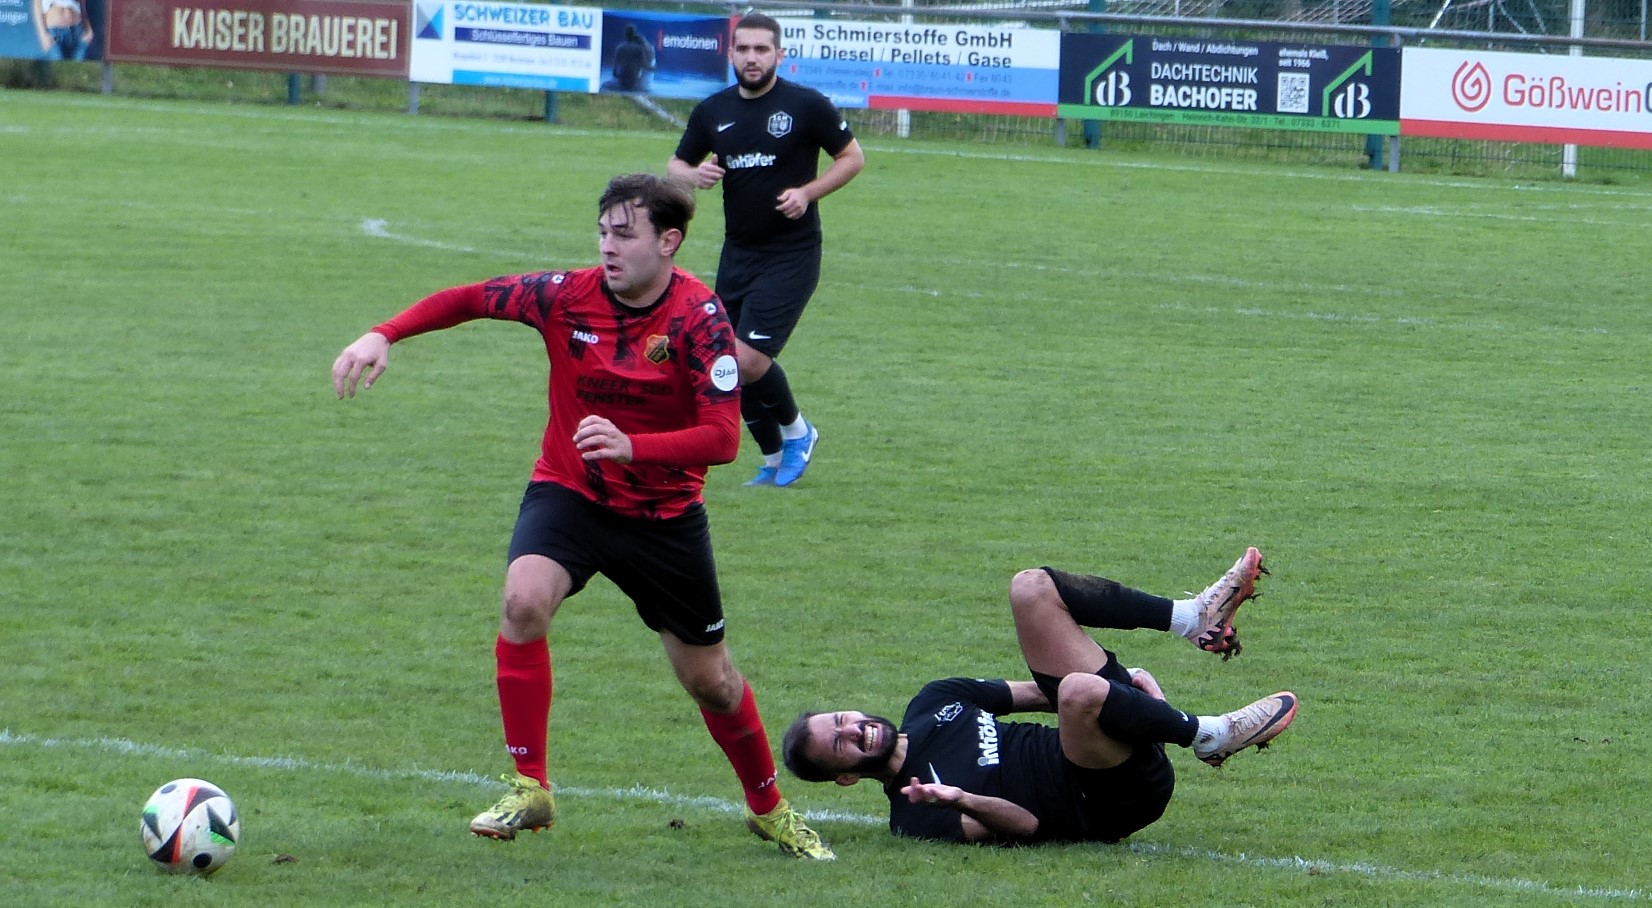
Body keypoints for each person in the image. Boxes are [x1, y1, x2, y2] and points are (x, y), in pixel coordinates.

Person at [330, 173, 834, 861]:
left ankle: (769, 809)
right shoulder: (565, 295)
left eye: (624, 234)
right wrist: (384, 333)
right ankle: (530, 786)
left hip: (663, 518)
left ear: (669, 241)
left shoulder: (699, 317)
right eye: (602, 233)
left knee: (710, 682)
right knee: (522, 601)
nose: (607, 247)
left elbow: (722, 438)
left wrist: (634, 447)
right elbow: (471, 298)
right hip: (571, 494)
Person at [780, 548, 1298, 845]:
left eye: (842, 719)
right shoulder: (914, 813)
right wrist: (960, 799)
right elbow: (1026, 827)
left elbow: (1039, 694)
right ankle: (1208, 736)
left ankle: (1192, 618)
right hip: (1107, 801)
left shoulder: (934, 700)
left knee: (1030, 588)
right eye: (840, 744)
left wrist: (1132, 697)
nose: (854, 730)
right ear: (846, 777)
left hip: (1106, 744)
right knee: (1077, 691)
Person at [668, 11, 864, 488]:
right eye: (743, 49)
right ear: (731, 54)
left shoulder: (806, 105)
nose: (752, 58)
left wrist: (807, 193)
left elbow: (852, 157)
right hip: (738, 252)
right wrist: (694, 175)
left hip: (791, 253)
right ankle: (773, 458)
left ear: (779, 54)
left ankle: (799, 433)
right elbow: (676, 165)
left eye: (761, 49)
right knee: (724, 362)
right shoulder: (713, 111)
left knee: (747, 359)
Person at [603, 24, 656, 93]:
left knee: (604, 86)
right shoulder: (639, 49)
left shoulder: (620, 48)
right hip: (633, 82)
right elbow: (645, 65)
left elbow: (615, 72)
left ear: (625, 34)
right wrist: (653, 68)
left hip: (622, 81)